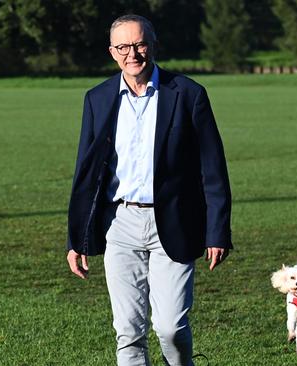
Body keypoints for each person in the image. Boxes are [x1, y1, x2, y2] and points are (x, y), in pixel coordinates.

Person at [65, 14, 232, 366]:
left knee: (170, 327)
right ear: (112, 52)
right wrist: (76, 238)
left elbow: (212, 169)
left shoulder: (189, 94)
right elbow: (86, 174)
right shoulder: (97, 98)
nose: (133, 53)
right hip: (120, 223)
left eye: (139, 44)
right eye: (123, 46)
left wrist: (217, 231)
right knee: (128, 331)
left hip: (174, 221)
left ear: (152, 45)